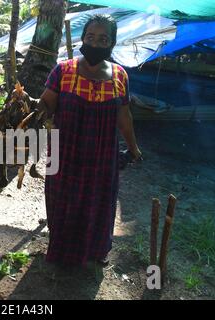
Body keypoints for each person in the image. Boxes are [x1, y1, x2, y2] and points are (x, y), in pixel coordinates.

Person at [39, 14, 142, 267]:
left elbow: (124, 115)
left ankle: (94, 251)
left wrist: (133, 148)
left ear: (112, 43)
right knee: (64, 203)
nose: (95, 44)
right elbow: (45, 107)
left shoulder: (120, 76)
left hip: (102, 157)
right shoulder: (63, 71)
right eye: (90, 37)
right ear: (83, 39)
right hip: (65, 155)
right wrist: (22, 110)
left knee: (99, 204)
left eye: (103, 39)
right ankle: (62, 253)